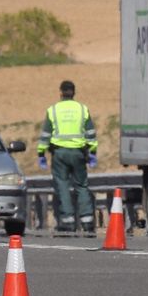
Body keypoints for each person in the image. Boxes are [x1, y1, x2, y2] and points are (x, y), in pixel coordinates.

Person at [37, 80, 98, 235]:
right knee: (81, 186)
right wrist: (93, 152)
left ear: (60, 92)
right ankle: (87, 221)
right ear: (74, 92)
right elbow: (90, 133)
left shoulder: (53, 110)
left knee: (63, 186)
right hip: (78, 153)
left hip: (59, 154)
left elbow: (45, 134)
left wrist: (41, 153)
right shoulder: (82, 109)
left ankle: (68, 221)